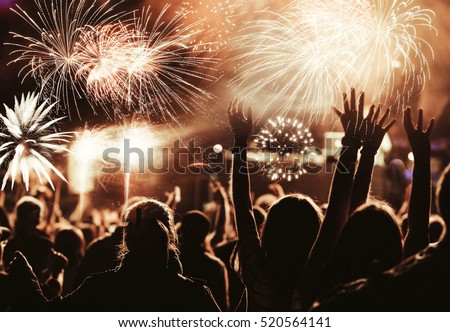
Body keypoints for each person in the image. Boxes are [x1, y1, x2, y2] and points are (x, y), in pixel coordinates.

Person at [8, 199, 220, 311]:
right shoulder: (194, 294)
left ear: (126, 239)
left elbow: (45, 319)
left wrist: (27, 279)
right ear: (170, 238)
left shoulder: (99, 288)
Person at [228, 99, 322, 311]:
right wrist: (357, 150)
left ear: (272, 228)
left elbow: (243, 208)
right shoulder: (321, 278)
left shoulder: (259, 275)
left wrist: (240, 143)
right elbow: (342, 216)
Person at [178, 210, 229, 311]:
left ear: (181, 231)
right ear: (205, 234)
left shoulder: (172, 261)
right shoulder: (215, 266)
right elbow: (222, 306)